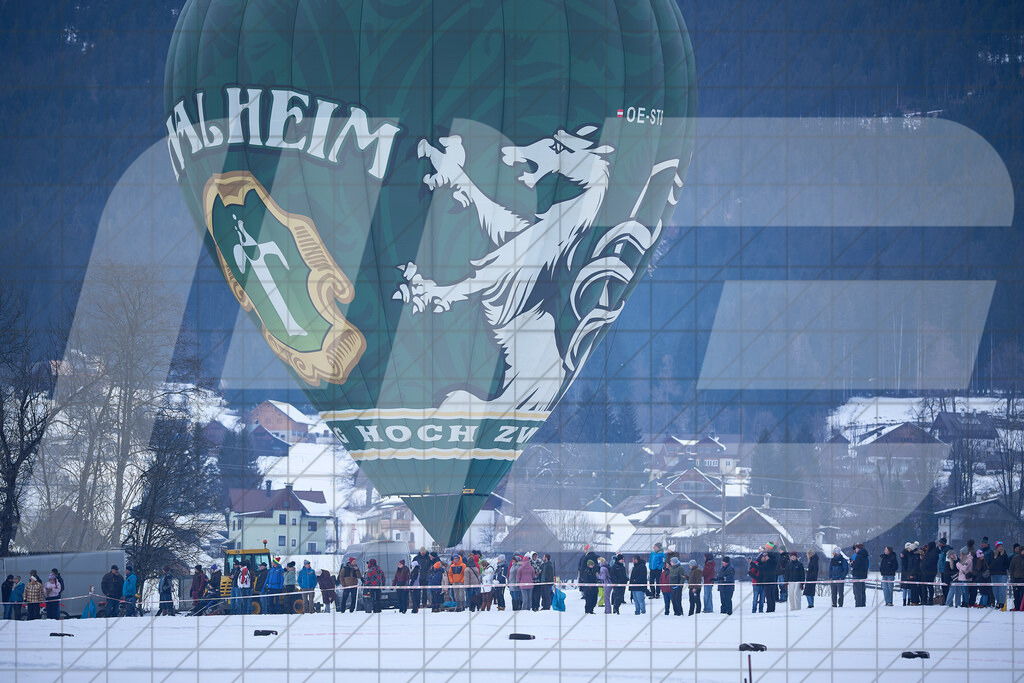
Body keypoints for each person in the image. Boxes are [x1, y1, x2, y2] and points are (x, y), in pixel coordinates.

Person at [989, 542, 1010, 609]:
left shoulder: (1004, 555)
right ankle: (998, 602)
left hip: (1002, 574)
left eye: (1001, 546)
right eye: (999, 546)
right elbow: (989, 564)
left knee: (1002, 589)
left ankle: (1001, 603)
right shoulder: (992, 554)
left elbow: (1007, 564)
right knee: (995, 590)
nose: (1001, 548)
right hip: (993, 574)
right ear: (996, 547)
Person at [850, 543, 868, 607]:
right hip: (863, 575)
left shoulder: (859, 556)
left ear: (858, 548)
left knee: (857, 592)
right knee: (862, 591)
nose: (855, 550)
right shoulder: (865, 555)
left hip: (857, 575)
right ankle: (863, 604)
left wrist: (852, 564)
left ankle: (858, 605)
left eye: (856, 548)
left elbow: (856, 565)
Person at [1008, 544, 1024, 611]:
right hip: (1016, 579)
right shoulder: (1015, 558)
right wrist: (1012, 578)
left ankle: (1022, 607)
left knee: (1022, 595)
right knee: (1016, 594)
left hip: (1023, 579)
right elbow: (1011, 569)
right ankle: (1017, 607)